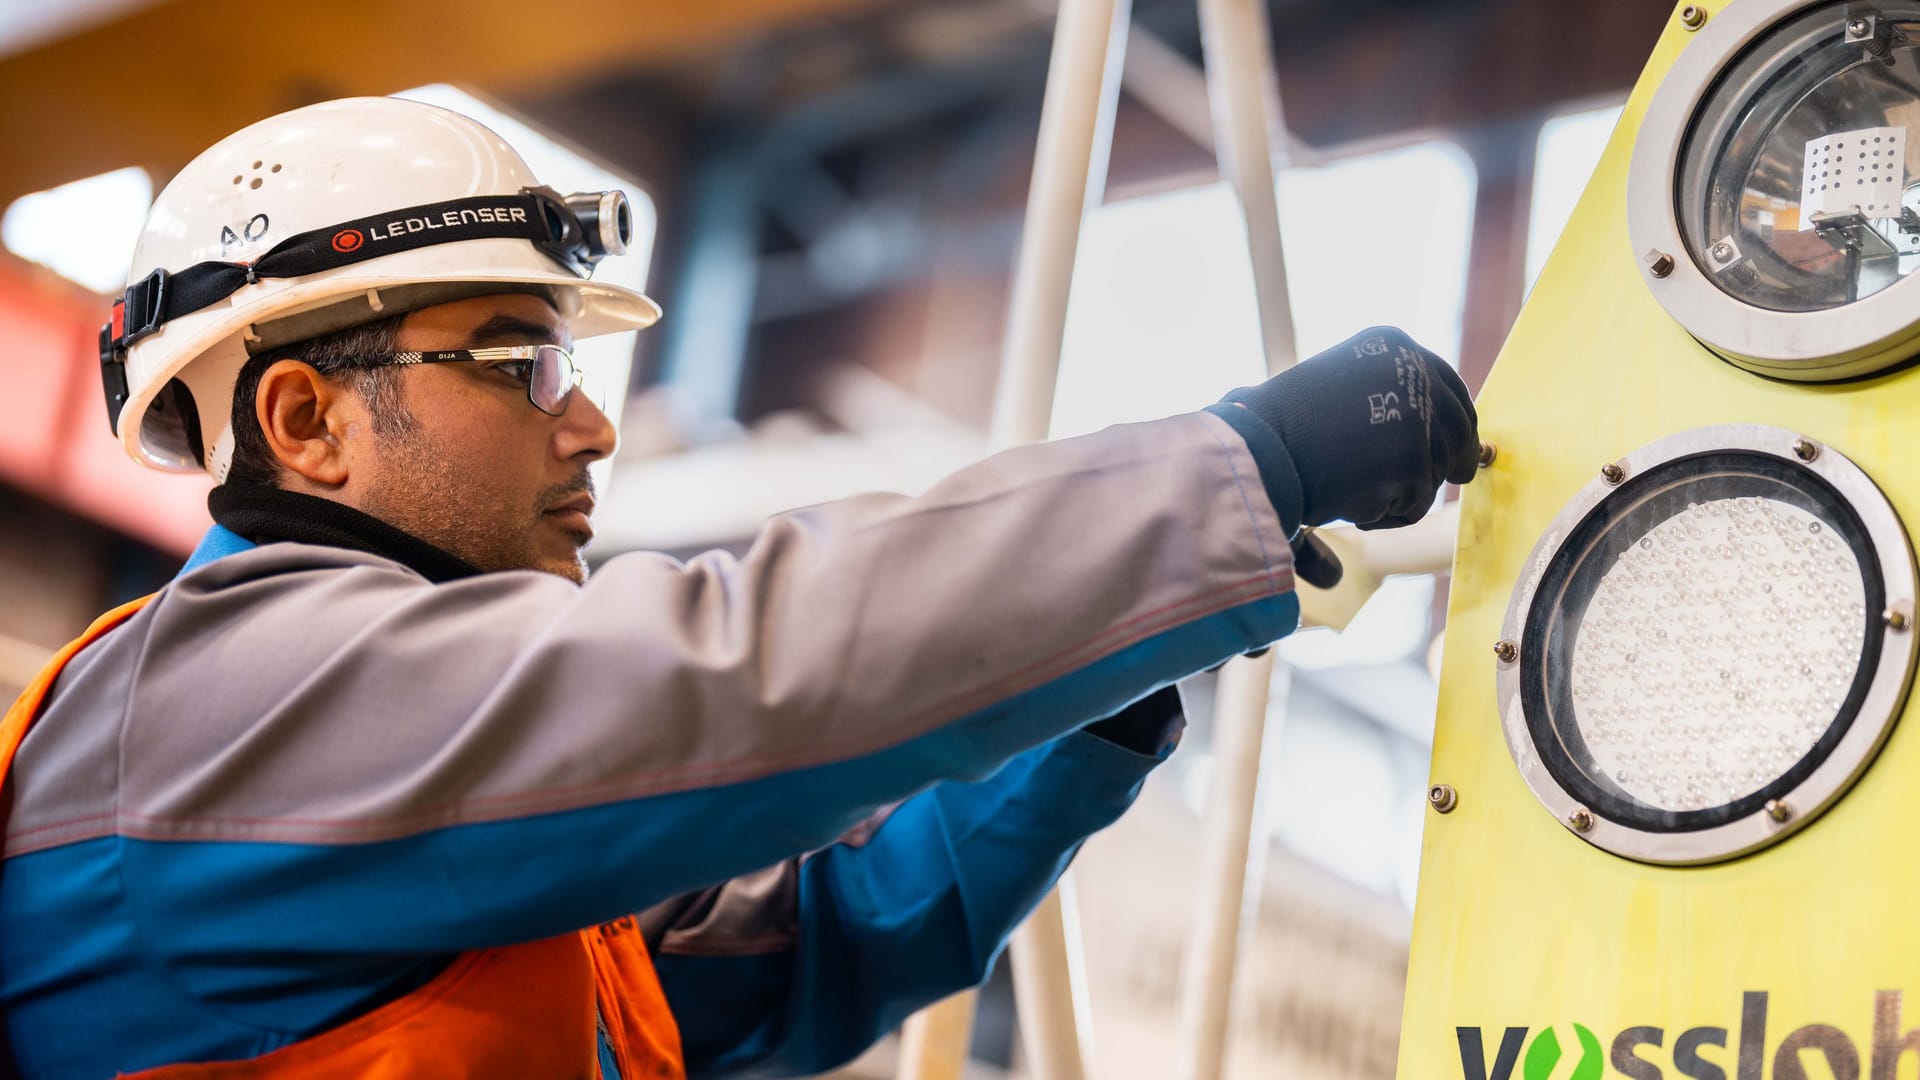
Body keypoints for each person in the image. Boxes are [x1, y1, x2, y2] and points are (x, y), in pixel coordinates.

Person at [0, 97, 1481, 1079]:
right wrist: (1242, 470)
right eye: (523, 366)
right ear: (307, 424)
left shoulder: (435, 821)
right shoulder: (220, 705)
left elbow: (806, 951)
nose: (589, 423)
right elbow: (738, 677)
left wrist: (1112, 679)